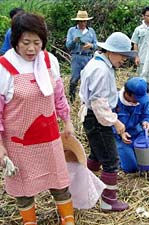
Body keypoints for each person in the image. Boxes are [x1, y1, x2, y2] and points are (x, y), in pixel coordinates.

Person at [0, 13, 75, 225]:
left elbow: (59, 95)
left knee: (59, 181)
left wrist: (67, 120)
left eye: (37, 42)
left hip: (49, 136)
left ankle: (67, 219)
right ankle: (29, 221)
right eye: (26, 42)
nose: (32, 49)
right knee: (23, 188)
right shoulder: (4, 67)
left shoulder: (49, 61)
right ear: (15, 40)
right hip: (18, 142)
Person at [79, 32, 137, 211]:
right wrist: (117, 123)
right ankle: (108, 201)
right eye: (122, 56)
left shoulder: (100, 63)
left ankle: (82, 187)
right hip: (97, 119)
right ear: (110, 51)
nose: (124, 60)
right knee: (111, 160)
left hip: (93, 116)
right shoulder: (101, 70)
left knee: (97, 155)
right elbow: (99, 104)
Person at [113, 77, 149, 173]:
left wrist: (146, 121)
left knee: (148, 161)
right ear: (128, 94)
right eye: (137, 98)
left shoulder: (143, 99)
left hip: (137, 133)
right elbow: (107, 121)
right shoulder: (113, 101)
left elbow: (146, 114)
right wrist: (121, 133)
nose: (139, 102)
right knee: (131, 168)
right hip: (119, 137)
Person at [66, 10, 98, 103]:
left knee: (89, 80)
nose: (82, 23)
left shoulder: (91, 31)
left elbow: (96, 44)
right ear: (77, 21)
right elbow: (68, 46)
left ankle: (86, 100)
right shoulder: (72, 31)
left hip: (88, 58)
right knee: (74, 79)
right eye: (80, 21)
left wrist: (91, 46)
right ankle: (72, 100)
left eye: (84, 21)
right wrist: (74, 41)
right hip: (76, 57)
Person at [131, 6, 149, 81]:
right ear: (143, 16)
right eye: (148, 15)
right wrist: (136, 57)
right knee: (142, 79)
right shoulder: (138, 29)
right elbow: (135, 43)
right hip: (142, 58)